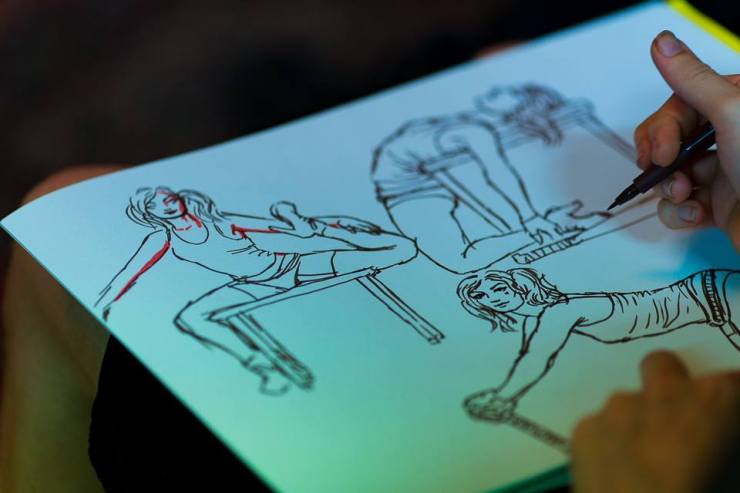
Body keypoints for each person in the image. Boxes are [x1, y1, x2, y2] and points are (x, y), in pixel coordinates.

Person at [1, 30, 738, 492]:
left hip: (292, 275)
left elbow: (528, 360)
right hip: (702, 292)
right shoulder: (551, 306)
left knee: (60, 232)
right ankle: (265, 360)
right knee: (72, 219)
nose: (171, 207)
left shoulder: (554, 316)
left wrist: (303, 231)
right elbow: (139, 265)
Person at [96, 186, 416, 394]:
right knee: (191, 318)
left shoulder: (218, 219)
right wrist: (104, 304)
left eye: (169, 198)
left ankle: (367, 249)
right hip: (253, 285)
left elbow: (285, 229)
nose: (167, 204)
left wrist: (328, 223)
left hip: (292, 267)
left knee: (400, 251)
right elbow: (128, 273)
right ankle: (263, 366)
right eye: (156, 203)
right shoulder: (163, 239)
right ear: (148, 213)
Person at [459, 266, 739, 421]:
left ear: (520, 287)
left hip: (713, 295)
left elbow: (538, 357)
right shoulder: (537, 320)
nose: (492, 298)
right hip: (711, 302)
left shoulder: (560, 311)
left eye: (499, 288)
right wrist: (502, 395)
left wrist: (502, 397)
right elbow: (531, 356)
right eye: (481, 296)